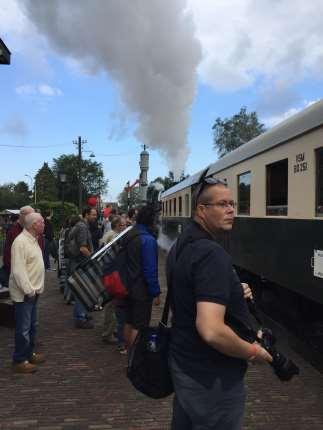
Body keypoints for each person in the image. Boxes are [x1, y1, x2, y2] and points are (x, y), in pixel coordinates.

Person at [167, 177, 272, 429]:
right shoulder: (211, 253)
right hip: (212, 377)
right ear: (202, 210)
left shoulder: (181, 245)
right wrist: (253, 352)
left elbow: (188, 293)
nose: (231, 210)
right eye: (222, 204)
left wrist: (231, 290)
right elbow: (211, 330)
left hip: (184, 364)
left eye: (232, 204)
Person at [9, 212, 46, 374]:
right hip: (26, 294)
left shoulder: (33, 240)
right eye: (42, 222)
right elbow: (18, 270)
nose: (44, 224)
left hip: (33, 292)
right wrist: (28, 290)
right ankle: (19, 360)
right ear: (33, 225)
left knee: (32, 326)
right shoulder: (20, 242)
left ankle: (29, 353)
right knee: (23, 328)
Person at [123, 205, 161, 349]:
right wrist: (155, 292)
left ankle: (127, 351)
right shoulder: (148, 240)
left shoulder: (130, 234)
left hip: (127, 285)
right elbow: (150, 270)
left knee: (129, 321)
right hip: (141, 289)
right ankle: (135, 356)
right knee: (139, 325)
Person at [100, 216, 127, 353]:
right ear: (117, 225)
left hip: (109, 273)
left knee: (111, 305)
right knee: (112, 306)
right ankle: (108, 333)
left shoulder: (109, 235)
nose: (124, 227)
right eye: (122, 225)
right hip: (112, 275)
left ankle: (110, 330)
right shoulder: (114, 237)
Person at [69, 207, 97, 329]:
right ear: (86, 215)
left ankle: (81, 315)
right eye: (93, 215)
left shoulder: (79, 225)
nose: (95, 217)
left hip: (76, 261)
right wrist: (93, 258)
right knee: (81, 290)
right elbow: (83, 248)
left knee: (79, 290)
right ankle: (80, 318)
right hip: (80, 262)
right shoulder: (83, 227)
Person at [3, 206, 44, 278]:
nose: (33, 218)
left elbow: (40, 250)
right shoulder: (13, 232)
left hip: (34, 273)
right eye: (31, 215)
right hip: (20, 275)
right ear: (22, 216)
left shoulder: (36, 232)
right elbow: (8, 255)